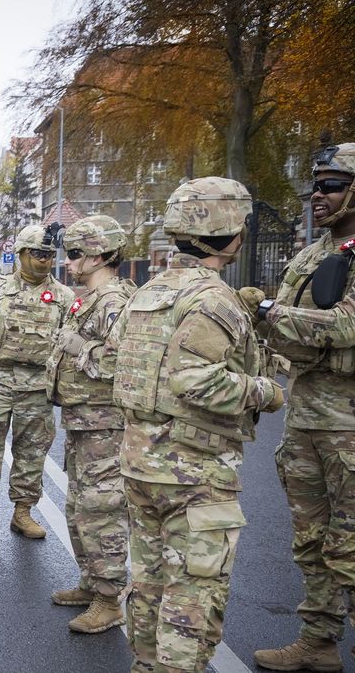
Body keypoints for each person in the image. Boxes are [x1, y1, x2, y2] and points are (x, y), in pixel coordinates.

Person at [110, 176, 284, 672]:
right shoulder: (213, 298)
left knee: (148, 585)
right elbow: (194, 381)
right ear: (234, 233)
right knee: (192, 599)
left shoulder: (148, 292)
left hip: (141, 463)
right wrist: (266, 392)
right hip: (195, 474)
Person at [238, 143, 355, 673]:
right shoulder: (311, 257)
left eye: (331, 185)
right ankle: (319, 643)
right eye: (315, 185)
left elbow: (344, 327)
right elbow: (287, 335)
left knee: (350, 549)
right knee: (311, 541)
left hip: (349, 426)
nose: (317, 196)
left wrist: (267, 309)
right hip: (308, 416)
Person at [46, 215, 135, 634]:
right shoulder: (91, 298)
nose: (67, 261)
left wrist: (78, 345)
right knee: (79, 507)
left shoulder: (115, 301)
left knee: (102, 512)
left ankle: (109, 598)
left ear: (98, 255)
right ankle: (92, 582)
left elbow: (124, 364)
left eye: (75, 253)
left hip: (106, 425)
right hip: (84, 422)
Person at [0, 224, 74, 540]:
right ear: (21, 254)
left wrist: (60, 383)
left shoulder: (63, 297)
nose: (44, 260)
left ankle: (23, 513)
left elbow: (70, 341)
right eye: (38, 254)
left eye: (49, 255)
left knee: (33, 453)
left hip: (37, 388)